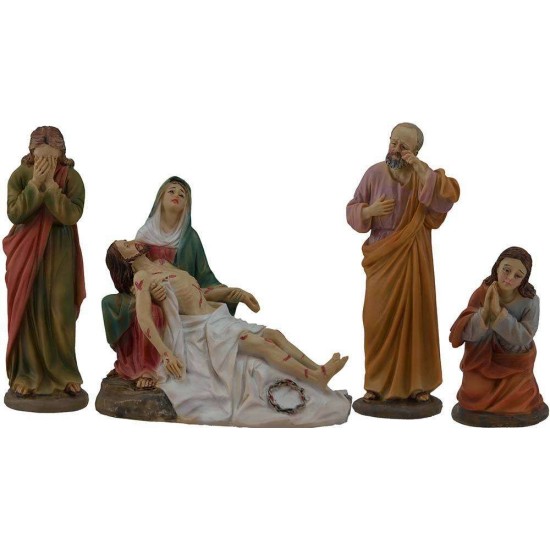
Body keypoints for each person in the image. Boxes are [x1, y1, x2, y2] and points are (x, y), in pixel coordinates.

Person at [105, 240, 351, 427]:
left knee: (274, 335)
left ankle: (319, 369)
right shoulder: (142, 278)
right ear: (124, 259)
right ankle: (315, 377)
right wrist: (166, 353)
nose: (130, 241)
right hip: (203, 330)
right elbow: (144, 318)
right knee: (263, 345)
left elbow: (196, 291)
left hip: (217, 317)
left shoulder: (162, 265)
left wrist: (235, 294)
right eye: (124, 245)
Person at [346, 123, 460, 407]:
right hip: (382, 255)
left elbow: (446, 199)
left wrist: (420, 168)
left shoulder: (424, 177)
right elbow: (352, 208)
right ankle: (376, 383)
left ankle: (418, 384)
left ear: (415, 152)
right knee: (376, 319)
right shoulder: (374, 173)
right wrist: (369, 211)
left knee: (416, 317)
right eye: (393, 142)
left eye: (403, 146)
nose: (395, 149)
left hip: (413, 254)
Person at [102, 176, 230, 389]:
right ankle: (143, 367)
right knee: (135, 308)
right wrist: (146, 289)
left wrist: (226, 292)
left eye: (182, 194)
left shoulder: (190, 239)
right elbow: (131, 268)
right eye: (171, 191)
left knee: (156, 311)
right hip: (150, 290)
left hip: (180, 294)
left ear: (187, 206)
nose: (176, 195)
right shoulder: (145, 233)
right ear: (160, 198)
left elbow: (202, 275)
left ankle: (154, 367)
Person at [3, 126, 86, 398]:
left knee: (60, 312)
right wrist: (35, 184)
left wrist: (51, 186)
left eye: (51, 157)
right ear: (31, 153)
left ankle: (66, 373)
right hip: (25, 252)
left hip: (59, 250)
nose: (46, 163)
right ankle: (26, 374)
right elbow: (15, 213)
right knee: (28, 307)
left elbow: (72, 214)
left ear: (61, 154)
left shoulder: (71, 177)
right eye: (41, 157)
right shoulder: (20, 175)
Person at [450, 247, 546, 418]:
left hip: (513, 359)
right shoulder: (482, 292)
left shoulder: (530, 301)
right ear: (497, 267)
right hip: (482, 358)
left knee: (521, 397)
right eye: (506, 270)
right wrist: (485, 313)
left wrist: (500, 315)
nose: (509, 278)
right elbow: (464, 332)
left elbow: (525, 337)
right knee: (473, 393)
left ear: (524, 279)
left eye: (518, 275)